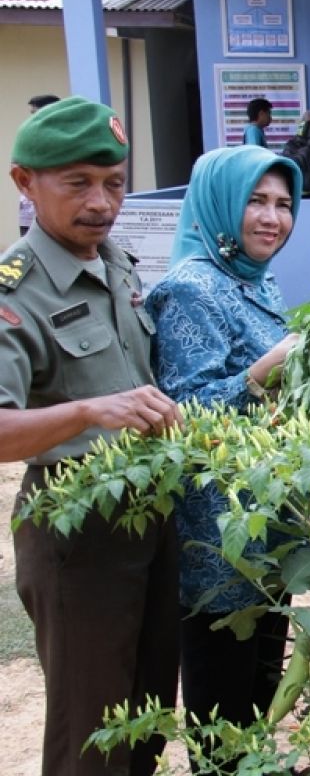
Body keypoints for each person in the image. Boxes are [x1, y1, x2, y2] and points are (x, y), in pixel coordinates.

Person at [1, 96, 183, 776]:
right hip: (77, 524)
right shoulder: (15, 291)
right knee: (90, 729)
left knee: (146, 713)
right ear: (26, 183)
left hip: (150, 515)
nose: (102, 201)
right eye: (77, 182)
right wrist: (89, 412)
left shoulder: (118, 265)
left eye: (114, 182)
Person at [145, 146, 302, 758]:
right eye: (255, 202)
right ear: (219, 205)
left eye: (284, 204)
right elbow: (182, 416)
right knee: (223, 703)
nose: (272, 218)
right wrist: (263, 373)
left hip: (269, 523)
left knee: (258, 693)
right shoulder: (191, 287)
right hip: (219, 537)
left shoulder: (254, 280)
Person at [17, 94, 59, 235]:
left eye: (37, 113)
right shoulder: (27, 135)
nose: (33, 118)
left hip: (53, 208)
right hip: (29, 207)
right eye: (32, 114)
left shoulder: (63, 138)